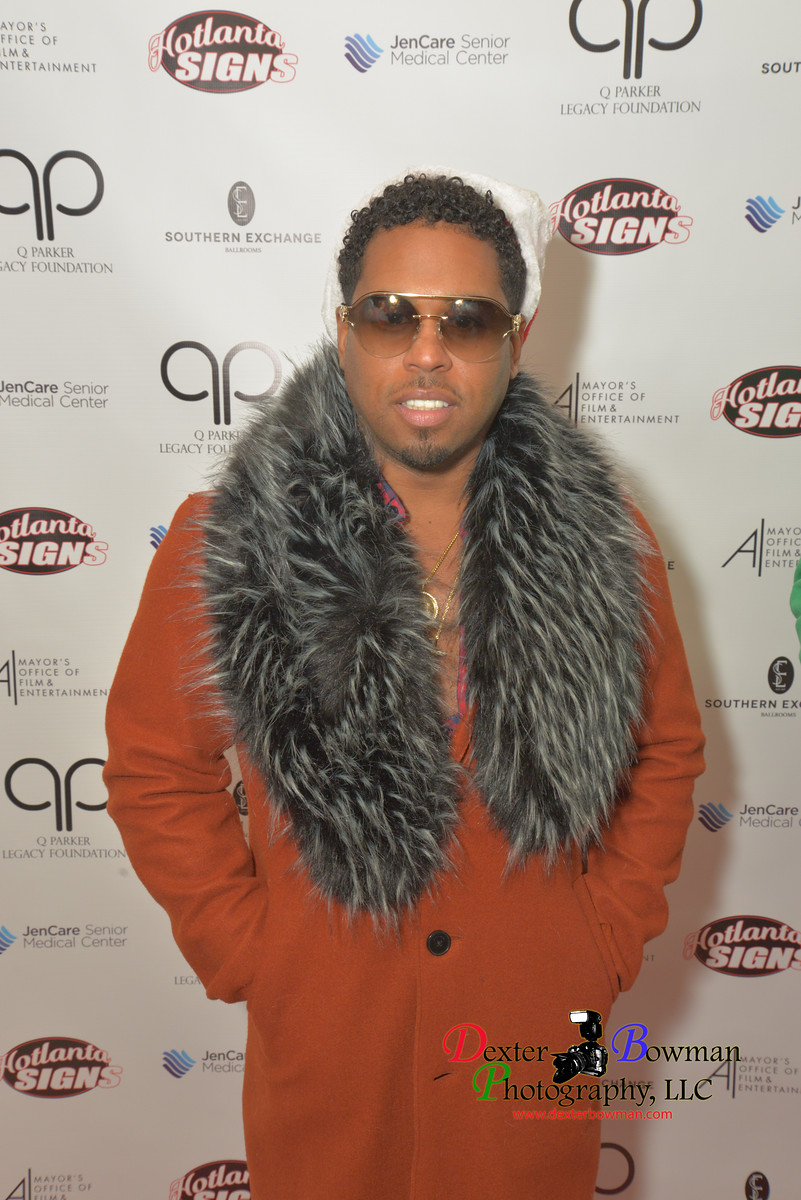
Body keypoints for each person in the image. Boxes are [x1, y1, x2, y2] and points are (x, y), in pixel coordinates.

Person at [105, 170, 704, 1200]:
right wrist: (253, 951)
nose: (427, 351)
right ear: (343, 332)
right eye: (391, 316)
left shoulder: (610, 543)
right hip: (330, 1044)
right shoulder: (228, 539)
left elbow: (666, 750)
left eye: (466, 320)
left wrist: (600, 939)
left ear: (515, 339)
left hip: (537, 1038)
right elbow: (156, 766)